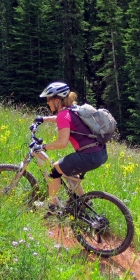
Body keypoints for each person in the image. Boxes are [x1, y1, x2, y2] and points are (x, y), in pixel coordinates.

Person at [33, 81, 108, 210]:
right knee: (70, 171)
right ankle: (84, 202)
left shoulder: (63, 114)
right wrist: (44, 119)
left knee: (55, 170)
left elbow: (62, 142)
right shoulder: (75, 109)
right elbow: (63, 118)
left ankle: (52, 206)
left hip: (88, 156)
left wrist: (43, 147)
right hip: (100, 153)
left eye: (48, 99)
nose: (47, 102)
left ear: (57, 100)